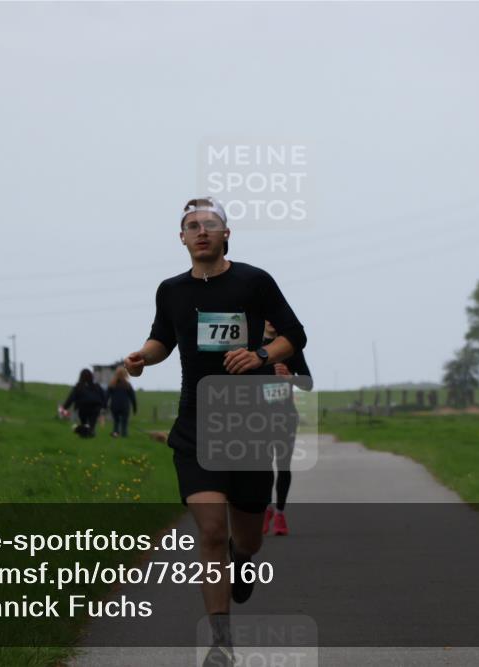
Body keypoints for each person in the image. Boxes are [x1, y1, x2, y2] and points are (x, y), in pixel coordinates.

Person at [124, 196, 307, 666]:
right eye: (191, 225)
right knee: (208, 533)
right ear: (181, 238)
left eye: (210, 224)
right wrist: (143, 356)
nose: (200, 230)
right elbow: (163, 337)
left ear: (227, 234)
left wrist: (262, 356)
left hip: (247, 425)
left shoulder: (253, 280)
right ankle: (220, 644)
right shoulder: (171, 290)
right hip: (195, 425)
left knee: (246, 537)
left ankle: (242, 559)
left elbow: (294, 335)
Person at [260, 321, 313, 537]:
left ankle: (279, 512)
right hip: (257, 417)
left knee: (282, 465)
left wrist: (290, 377)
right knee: (261, 467)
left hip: (285, 416)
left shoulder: (290, 347)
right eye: (267, 316)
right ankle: (266, 509)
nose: (272, 320)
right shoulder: (252, 345)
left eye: (275, 316)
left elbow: (308, 383)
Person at [62, 369, 105, 438]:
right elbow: (103, 396)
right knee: (92, 424)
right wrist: (103, 407)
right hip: (95, 408)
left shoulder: (78, 386)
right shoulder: (96, 386)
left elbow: (71, 397)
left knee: (84, 423)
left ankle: (84, 435)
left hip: (83, 408)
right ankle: (90, 433)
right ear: (91, 376)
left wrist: (65, 407)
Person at [106, 366, 137, 438]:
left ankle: (115, 433)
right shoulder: (127, 385)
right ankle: (124, 434)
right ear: (125, 374)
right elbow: (133, 397)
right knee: (124, 422)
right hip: (124, 406)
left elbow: (106, 396)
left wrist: (104, 406)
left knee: (116, 421)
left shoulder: (112, 384)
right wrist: (135, 408)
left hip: (114, 406)